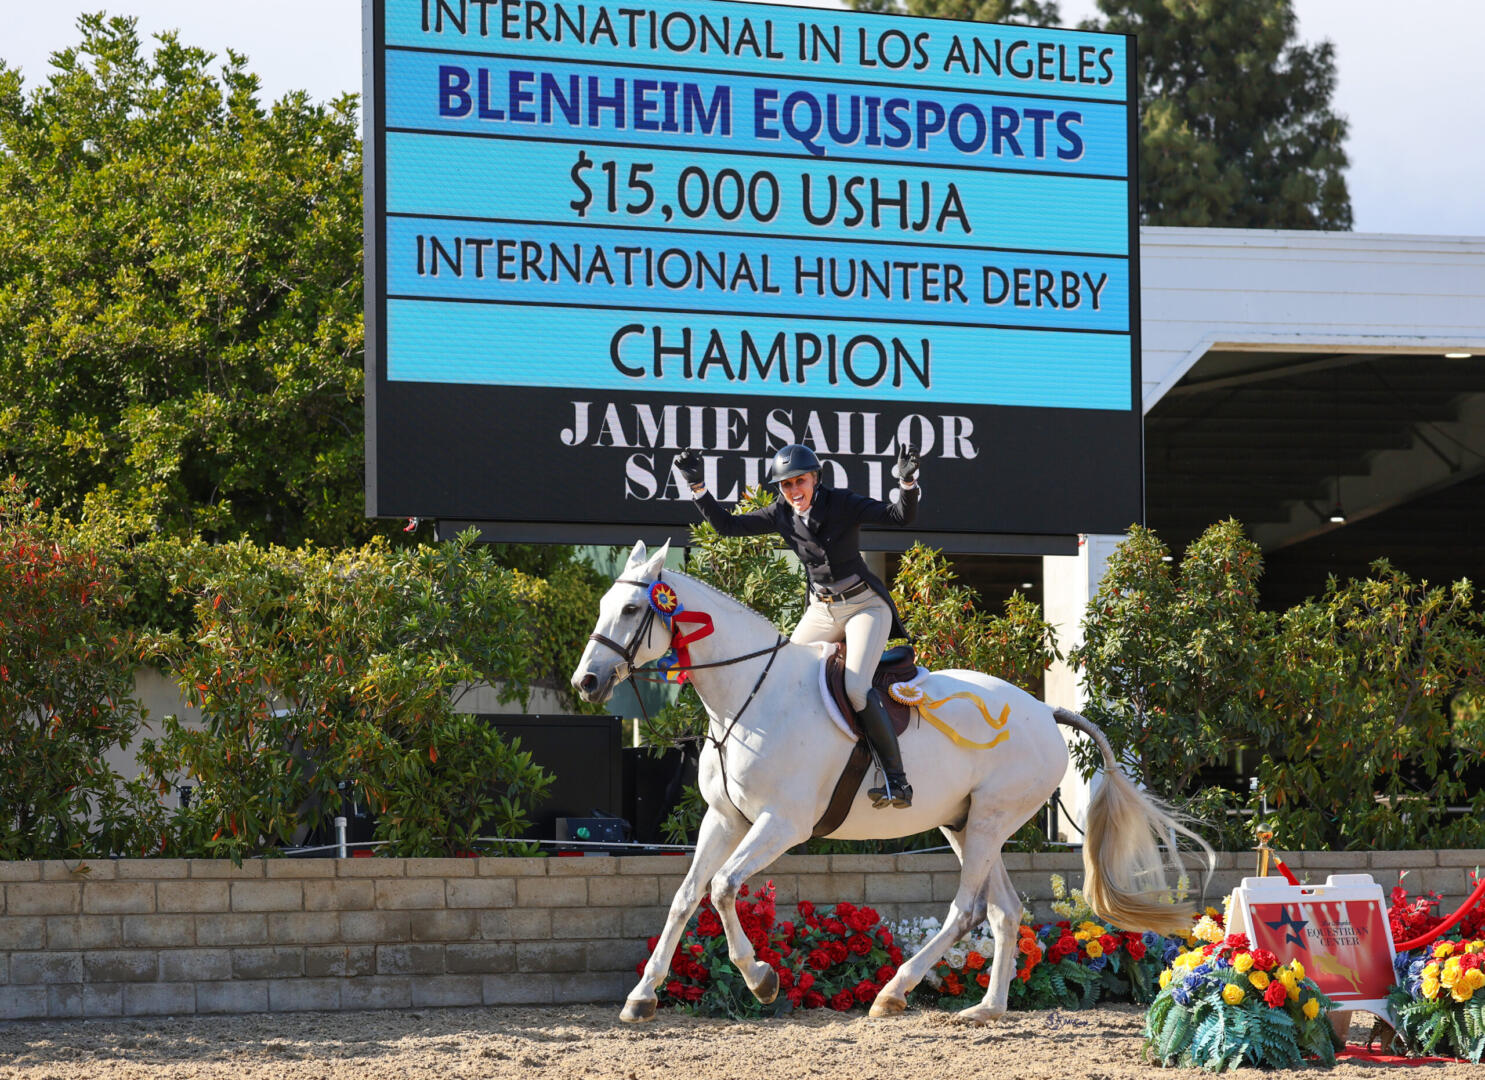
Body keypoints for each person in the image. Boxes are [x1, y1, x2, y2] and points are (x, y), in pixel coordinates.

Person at [672, 443, 920, 808]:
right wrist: (697, 488)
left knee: (854, 687)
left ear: (815, 479)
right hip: (823, 609)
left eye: (799, 481)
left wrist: (908, 482)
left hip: (865, 606)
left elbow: (899, 516)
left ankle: (897, 782)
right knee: (783, 673)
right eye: (785, 485)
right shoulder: (781, 514)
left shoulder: (843, 503)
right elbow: (727, 526)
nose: (792, 491)